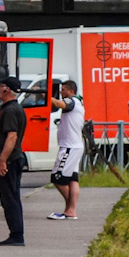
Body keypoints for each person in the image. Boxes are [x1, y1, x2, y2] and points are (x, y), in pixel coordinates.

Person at [0, 75, 27, 247]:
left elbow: (11, 137)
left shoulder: (10, 110)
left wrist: (2, 160)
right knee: (11, 197)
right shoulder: (14, 108)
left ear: (6, 90)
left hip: (10, 160)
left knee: (9, 198)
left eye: (0, 87)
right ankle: (16, 234)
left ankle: (17, 236)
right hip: (14, 159)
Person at [49, 79, 84, 220]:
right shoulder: (79, 103)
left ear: (71, 91)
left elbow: (59, 104)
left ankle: (70, 207)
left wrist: (47, 96)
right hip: (75, 145)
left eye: (63, 89)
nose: (61, 92)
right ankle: (71, 210)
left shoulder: (72, 101)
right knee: (72, 180)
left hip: (69, 147)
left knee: (57, 177)